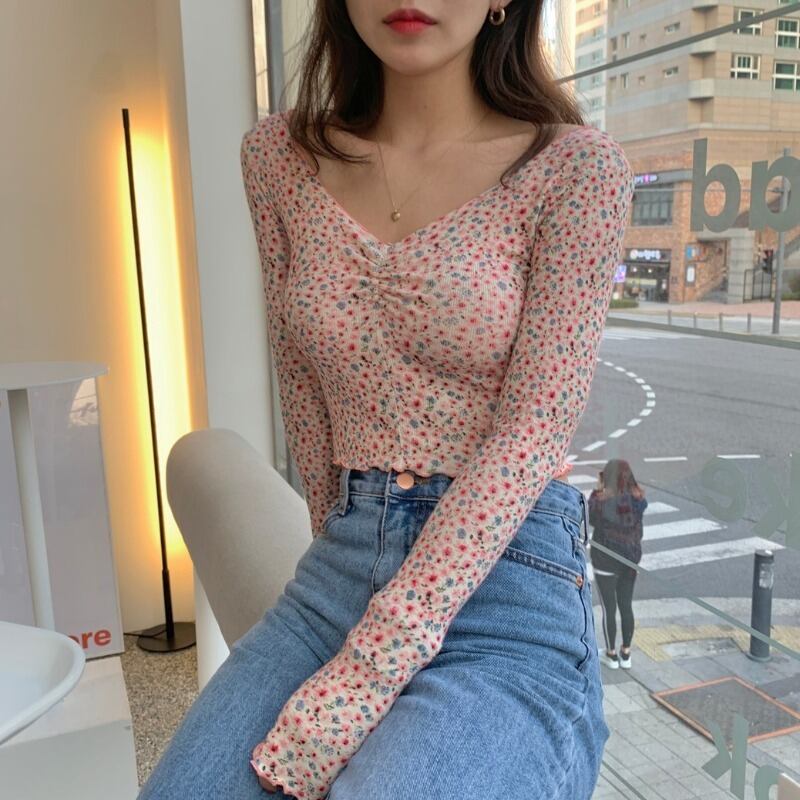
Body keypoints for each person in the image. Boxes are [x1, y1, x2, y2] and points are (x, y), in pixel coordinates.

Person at [138, 2, 635, 798]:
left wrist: (370, 671)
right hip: (338, 574)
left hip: (504, 590)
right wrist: (336, 550)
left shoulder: (575, 168)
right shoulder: (279, 158)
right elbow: (301, 382)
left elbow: (535, 429)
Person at [588, 459, 647, 671]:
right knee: (626, 605)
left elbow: (591, 520)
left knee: (609, 607)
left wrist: (599, 488)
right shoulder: (638, 500)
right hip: (630, 560)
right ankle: (626, 652)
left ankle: (611, 654)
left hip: (605, 559)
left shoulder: (600, 500)